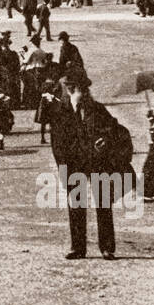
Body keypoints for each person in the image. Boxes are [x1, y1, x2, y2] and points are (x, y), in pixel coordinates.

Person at [39, 70, 131, 259]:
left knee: (104, 204)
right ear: (71, 90)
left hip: (98, 162)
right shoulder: (60, 112)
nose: (86, 93)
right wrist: (63, 166)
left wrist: (104, 139)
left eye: (86, 89)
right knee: (76, 205)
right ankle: (78, 248)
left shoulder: (97, 109)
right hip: (73, 164)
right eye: (81, 89)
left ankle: (107, 247)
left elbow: (114, 129)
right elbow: (56, 142)